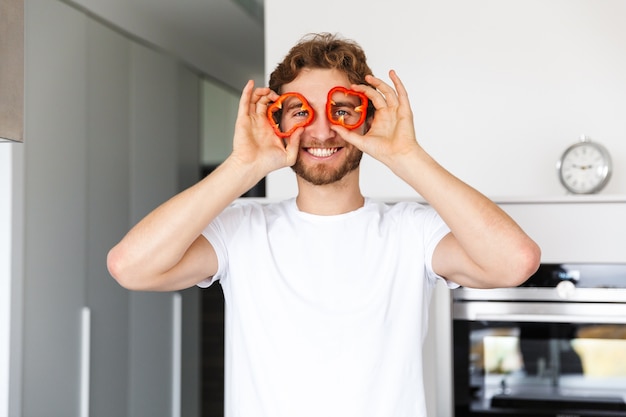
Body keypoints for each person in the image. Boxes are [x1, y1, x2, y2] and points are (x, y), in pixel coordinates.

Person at [107, 32, 541, 417]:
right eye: (299, 112)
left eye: (341, 110)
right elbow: (130, 266)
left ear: (366, 119)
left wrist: (406, 156)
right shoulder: (241, 229)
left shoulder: (412, 231)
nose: (320, 130)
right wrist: (243, 165)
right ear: (277, 123)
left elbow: (515, 262)